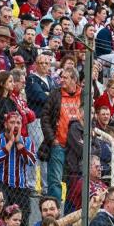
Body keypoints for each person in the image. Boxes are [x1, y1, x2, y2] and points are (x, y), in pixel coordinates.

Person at [0, 111, 36, 226]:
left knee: (22, 224)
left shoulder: (27, 141)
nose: (15, 126)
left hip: (21, 189)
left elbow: (31, 161)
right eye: (12, 122)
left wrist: (19, 144)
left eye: (18, 123)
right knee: (2, 221)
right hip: (2, 186)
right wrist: (10, 142)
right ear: (6, 124)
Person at [39, 66, 81, 202]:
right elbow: (45, 117)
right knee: (55, 181)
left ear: (74, 79)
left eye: (65, 78)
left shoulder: (84, 95)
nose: (61, 80)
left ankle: (69, 213)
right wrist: (52, 139)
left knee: (73, 182)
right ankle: (54, 212)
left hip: (76, 148)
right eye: (61, 77)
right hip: (59, 144)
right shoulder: (55, 94)